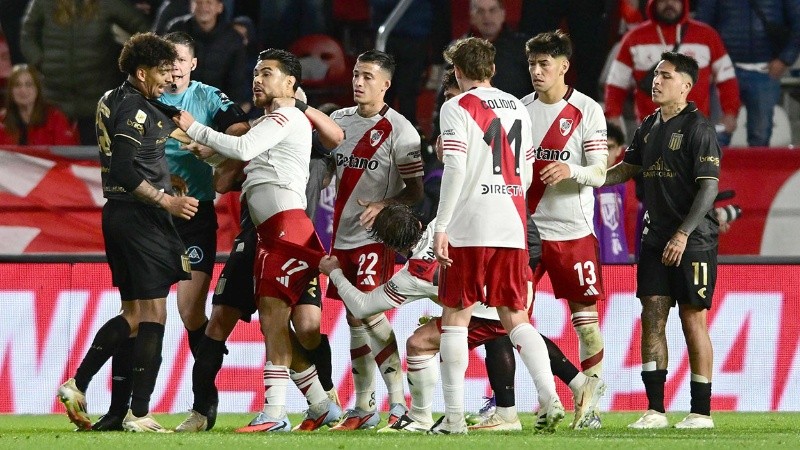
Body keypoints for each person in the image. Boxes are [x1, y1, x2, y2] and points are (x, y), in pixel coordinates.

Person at [320, 204, 606, 432]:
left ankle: (425, 417)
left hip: (483, 308)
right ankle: (573, 386)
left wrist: (334, 272)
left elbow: (361, 306)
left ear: (391, 247)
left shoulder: (411, 276)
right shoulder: (444, 222)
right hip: (513, 271)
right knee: (517, 331)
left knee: (420, 343)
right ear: (418, 223)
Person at [173, 48, 341, 433]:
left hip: (285, 229)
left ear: (290, 84)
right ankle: (320, 404)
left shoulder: (286, 115)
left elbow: (244, 148)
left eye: (267, 73)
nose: (257, 79)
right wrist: (211, 155)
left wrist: (194, 127)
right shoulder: (273, 123)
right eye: (255, 73)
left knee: (273, 320)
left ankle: (274, 412)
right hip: (274, 231)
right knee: (281, 322)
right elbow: (246, 167)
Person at [56, 32, 199, 433]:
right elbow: (123, 167)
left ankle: (80, 385)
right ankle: (138, 412)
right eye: (160, 71)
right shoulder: (137, 108)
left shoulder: (112, 98)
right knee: (153, 314)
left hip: (119, 215)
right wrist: (165, 200)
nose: (167, 77)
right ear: (140, 72)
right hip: (141, 217)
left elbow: (142, 157)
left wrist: (170, 181)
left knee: (133, 314)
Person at [431, 36, 562, 435]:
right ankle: (549, 397)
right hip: (512, 221)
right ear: (492, 69)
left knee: (455, 316)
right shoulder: (519, 106)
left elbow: (453, 168)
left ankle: (454, 417)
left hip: (472, 224)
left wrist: (441, 226)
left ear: (457, 70)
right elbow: (523, 169)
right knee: (515, 315)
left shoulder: (456, 106)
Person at [603, 51, 720, 429]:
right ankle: (655, 409)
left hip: (694, 239)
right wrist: (581, 176)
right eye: (656, 75)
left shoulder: (699, 129)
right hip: (655, 238)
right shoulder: (649, 124)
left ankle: (701, 412)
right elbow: (625, 169)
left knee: (692, 318)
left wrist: (684, 234)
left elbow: (708, 189)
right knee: (652, 315)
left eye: (666, 76)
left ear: (685, 86)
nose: (657, 81)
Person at [326, 49, 424, 430]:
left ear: (385, 84)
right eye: (355, 74)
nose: (358, 82)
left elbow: (416, 192)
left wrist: (384, 204)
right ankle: (364, 406)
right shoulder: (338, 122)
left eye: (367, 76)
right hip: (342, 234)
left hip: (375, 237)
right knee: (354, 318)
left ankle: (398, 402)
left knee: (369, 312)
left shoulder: (402, 131)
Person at [523, 30, 609, 393]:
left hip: (573, 233)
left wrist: (570, 170)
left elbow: (600, 172)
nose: (537, 71)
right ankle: (505, 400)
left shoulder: (587, 111)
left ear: (563, 66)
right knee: (510, 322)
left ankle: (592, 401)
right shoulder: (519, 109)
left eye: (544, 64)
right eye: (531, 64)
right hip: (527, 232)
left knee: (586, 326)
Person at [604, 0, 740, 144]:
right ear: (653, 3)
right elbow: (616, 83)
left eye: (675, 0)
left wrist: (730, 112)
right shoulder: (634, 38)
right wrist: (612, 116)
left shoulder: (707, 36)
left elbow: (727, 79)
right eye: (663, 0)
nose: (669, 4)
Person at [20, 0, 150, 145]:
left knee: (95, 159)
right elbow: (27, 34)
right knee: (54, 159)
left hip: (96, 97)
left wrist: (124, 56)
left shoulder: (107, 4)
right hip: (55, 97)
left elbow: (146, 31)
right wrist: (40, 61)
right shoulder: (43, 3)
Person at [695, 0, 800, 147]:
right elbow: (702, 26)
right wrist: (709, 63)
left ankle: (758, 170)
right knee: (718, 134)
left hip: (764, 71)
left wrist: (784, 60)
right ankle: (715, 170)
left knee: (760, 136)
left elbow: (798, 25)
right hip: (724, 72)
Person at [165, 0, 250, 109]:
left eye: (209, 2)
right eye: (198, 2)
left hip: (216, 107)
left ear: (219, 7)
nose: (203, 7)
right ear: (191, 5)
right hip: (178, 103)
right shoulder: (176, 29)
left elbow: (237, 82)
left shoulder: (233, 38)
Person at [0, 64, 79, 145]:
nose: (23, 90)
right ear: (10, 92)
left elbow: (66, 153)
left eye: (28, 85)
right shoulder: (2, 121)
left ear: (37, 89)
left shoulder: (56, 118)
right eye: (17, 85)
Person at [594, 121, 631, 263]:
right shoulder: (583, 184)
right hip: (592, 261)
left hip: (619, 257)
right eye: (600, 147)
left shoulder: (623, 185)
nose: (604, 153)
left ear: (619, 150)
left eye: (609, 147)